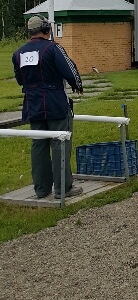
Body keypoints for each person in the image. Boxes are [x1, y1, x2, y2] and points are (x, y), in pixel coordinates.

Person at [12, 14, 84, 199]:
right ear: (46, 29)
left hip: (32, 104)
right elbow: (70, 70)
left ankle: (42, 190)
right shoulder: (54, 48)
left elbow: (20, 79)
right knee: (60, 143)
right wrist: (77, 85)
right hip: (55, 103)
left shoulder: (18, 53)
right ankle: (63, 188)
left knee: (38, 145)